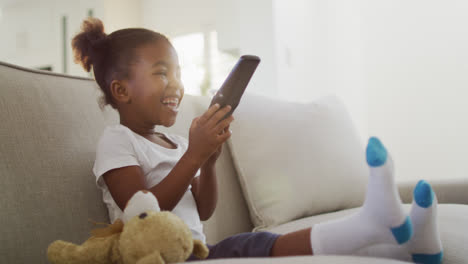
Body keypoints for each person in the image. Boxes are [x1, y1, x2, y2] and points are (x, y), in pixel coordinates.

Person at [72, 17, 443, 263]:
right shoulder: (117, 141)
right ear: (121, 90)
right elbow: (142, 214)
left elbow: (202, 210)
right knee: (253, 245)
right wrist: (193, 158)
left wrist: (208, 161)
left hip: (196, 249)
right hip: (159, 256)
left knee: (250, 246)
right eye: (161, 73)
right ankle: (372, 223)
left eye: (179, 73)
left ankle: (405, 241)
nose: (176, 85)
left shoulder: (173, 142)